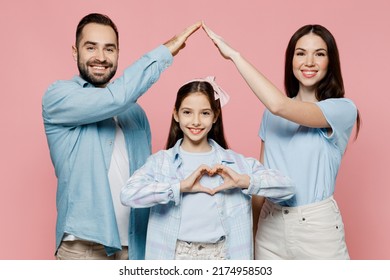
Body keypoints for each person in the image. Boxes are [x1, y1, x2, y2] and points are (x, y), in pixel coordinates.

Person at [42, 13, 201, 260]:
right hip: (84, 248)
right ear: (75, 52)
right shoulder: (58, 97)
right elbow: (113, 99)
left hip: (135, 247)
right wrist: (164, 53)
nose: (101, 57)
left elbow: (148, 179)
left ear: (118, 53)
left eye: (109, 49)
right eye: (91, 47)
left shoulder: (136, 113)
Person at [203, 23, 360, 259]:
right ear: (291, 60)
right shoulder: (270, 117)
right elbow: (261, 178)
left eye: (319, 54)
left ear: (331, 62)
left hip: (317, 228)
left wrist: (235, 56)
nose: (309, 62)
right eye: (301, 53)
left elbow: (280, 105)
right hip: (270, 224)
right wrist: (253, 234)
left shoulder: (341, 110)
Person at [120, 76, 295, 260]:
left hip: (222, 255)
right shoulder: (161, 163)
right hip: (174, 255)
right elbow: (127, 194)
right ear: (176, 114)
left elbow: (287, 188)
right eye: (187, 112)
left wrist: (244, 181)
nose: (196, 121)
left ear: (215, 116)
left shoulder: (235, 164)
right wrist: (178, 187)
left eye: (204, 113)